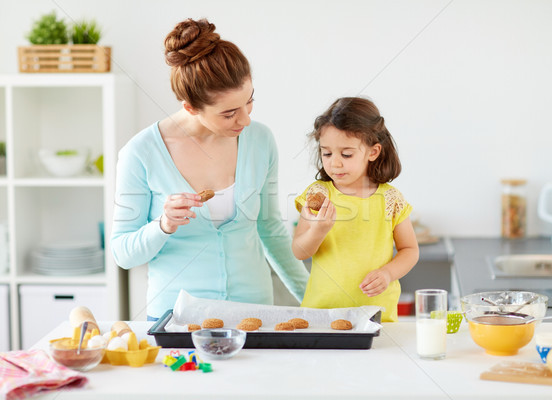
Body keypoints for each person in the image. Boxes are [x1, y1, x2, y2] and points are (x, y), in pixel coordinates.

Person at [111, 18, 309, 321]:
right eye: (229, 114)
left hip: (254, 317)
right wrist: (163, 224)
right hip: (176, 321)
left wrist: (315, 301)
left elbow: (271, 231)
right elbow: (123, 254)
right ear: (190, 106)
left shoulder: (260, 140)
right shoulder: (141, 153)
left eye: (249, 102)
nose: (244, 121)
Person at [291, 97, 419, 322]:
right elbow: (299, 251)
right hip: (322, 315)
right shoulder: (318, 195)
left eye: (346, 154)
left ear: (373, 152)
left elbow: (410, 249)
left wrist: (388, 273)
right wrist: (317, 231)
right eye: (327, 153)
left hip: (376, 315)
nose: (335, 163)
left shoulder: (391, 198)